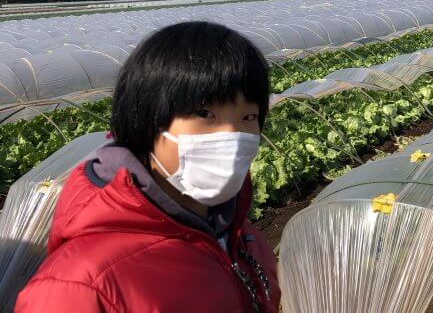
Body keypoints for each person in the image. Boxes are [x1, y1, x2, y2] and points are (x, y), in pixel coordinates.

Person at [16, 21, 280, 312]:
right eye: (205, 114)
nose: (231, 136)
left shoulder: (240, 235)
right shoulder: (81, 286)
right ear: (147, 120)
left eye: (249, 117)